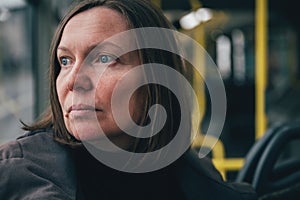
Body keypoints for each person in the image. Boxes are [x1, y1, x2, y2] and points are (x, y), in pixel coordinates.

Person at [0, 0, 257, 199]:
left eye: (103, 59)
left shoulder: (198, 179)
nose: (73, 80)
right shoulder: (14, 175)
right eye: (65, 61)